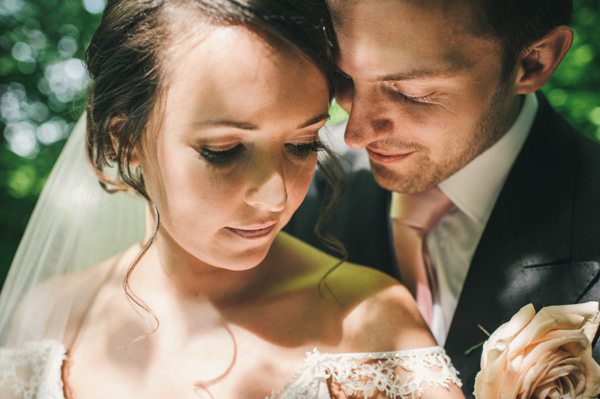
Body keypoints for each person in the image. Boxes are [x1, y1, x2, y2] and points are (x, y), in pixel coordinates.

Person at [0, 1, 465, 398]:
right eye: (224, 151)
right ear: (127, 142)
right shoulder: (47, 319)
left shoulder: (370, 322)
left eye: (302, 145)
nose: (276, 196)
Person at [283, 0, 600, 395]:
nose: (354, 133)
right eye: (342, 78)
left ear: (533, 63)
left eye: (411, 92)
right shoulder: (295, 187)